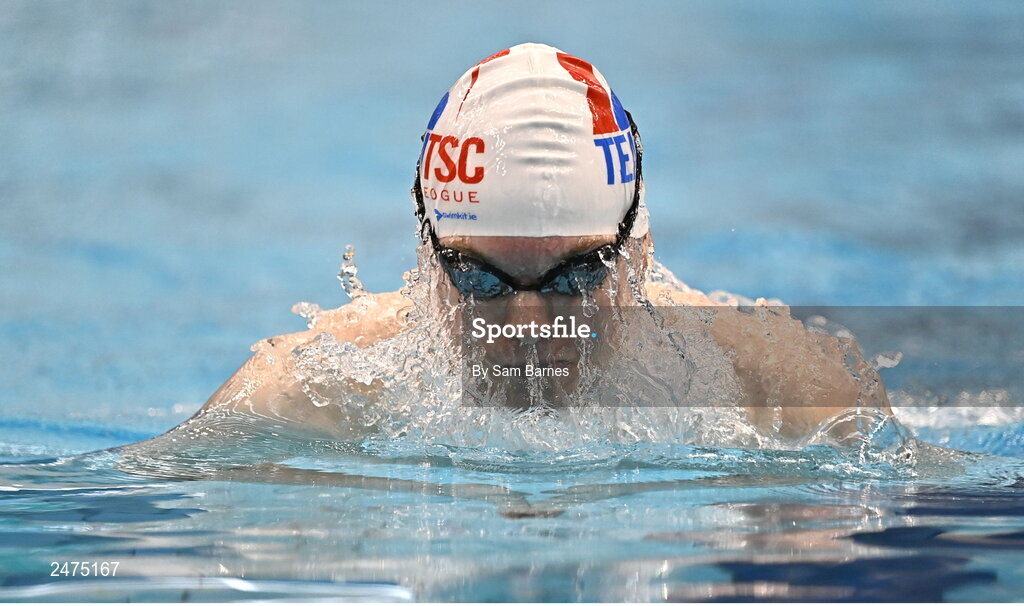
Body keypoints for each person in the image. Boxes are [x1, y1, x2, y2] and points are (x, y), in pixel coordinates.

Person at [130, 43, 891, 460]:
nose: (527, 321)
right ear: (428, 254)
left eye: (576, 274)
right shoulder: (301, 397)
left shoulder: (784, 396)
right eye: (478, 277)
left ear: (640, 248)